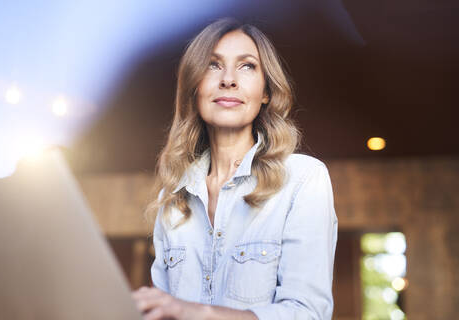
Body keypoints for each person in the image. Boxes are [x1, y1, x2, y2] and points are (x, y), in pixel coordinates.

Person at [131, 17, 338, 320]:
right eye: (213, 65)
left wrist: (195, 312)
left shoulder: (303, 179)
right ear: (194, 88)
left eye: (247, 66)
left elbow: (307, 313)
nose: (228, 79)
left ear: (266, 91)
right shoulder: (172, 199)